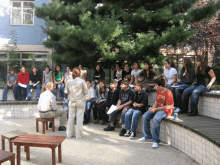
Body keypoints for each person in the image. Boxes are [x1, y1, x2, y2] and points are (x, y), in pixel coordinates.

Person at [139, 78, 174, 149]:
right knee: (145, 116)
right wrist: (152, 108)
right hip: (158, 108)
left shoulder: (168, 92)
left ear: (161, 86)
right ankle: (147, 136)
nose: (154, 87)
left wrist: (156, 109)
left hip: (166, 110)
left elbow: (168, 106)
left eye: (155, 85)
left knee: (156, 119)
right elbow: (156, 102)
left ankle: (156, 141)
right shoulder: (158, 91)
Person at [64, 67, 88, 139]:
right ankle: (78, 135)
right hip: (80, 101)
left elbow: (66, 91)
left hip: (72, 101)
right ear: (79, 73)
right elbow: (86, 92)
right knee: (80, 118)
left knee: (71, 117)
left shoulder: (69, 81)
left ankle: (69, 134)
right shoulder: (82, 81)